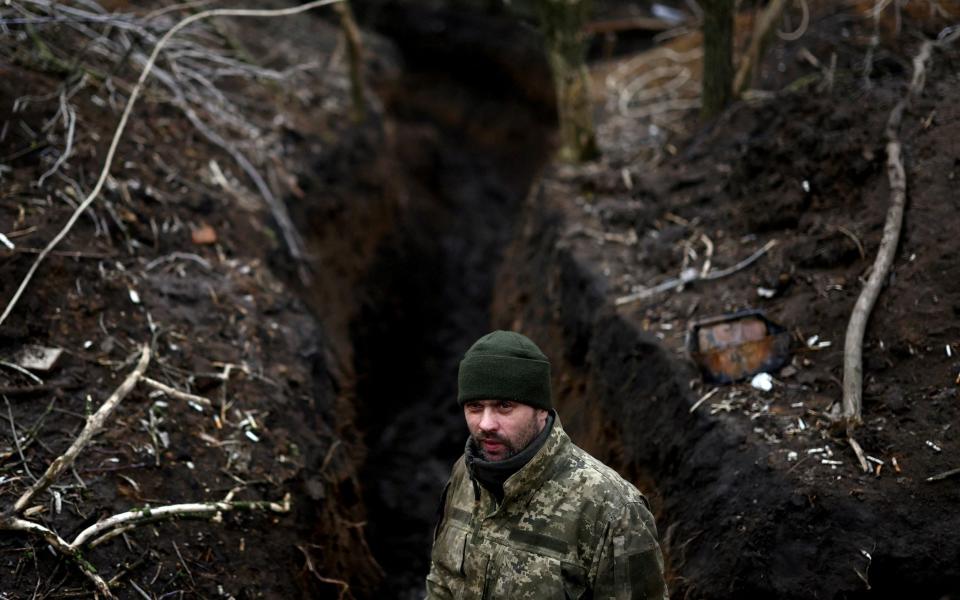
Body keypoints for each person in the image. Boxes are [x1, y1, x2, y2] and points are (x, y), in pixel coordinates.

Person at [426, 330, 668, 599]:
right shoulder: (465, 474)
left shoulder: (612, 509)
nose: (485, 424)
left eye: (504, 406)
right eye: (474, 406)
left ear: (540, 409)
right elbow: (441, 581)